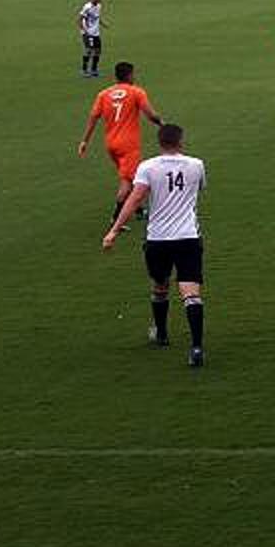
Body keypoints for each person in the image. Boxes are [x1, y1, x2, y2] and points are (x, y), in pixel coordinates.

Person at [103, 122, 207, 368]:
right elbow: (200, 189)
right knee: (191, 294)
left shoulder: (148, 167)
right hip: (188, 236)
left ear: (160, 143)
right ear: (180, 142)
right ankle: (196, 347)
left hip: (158, 239)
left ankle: (161, 334)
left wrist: (114, 231)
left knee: (160, 286)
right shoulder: (196, 165)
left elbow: (135, 198)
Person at [78, 62, 163, 222]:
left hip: (111, 144)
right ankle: (117, 219)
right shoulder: (136, 92)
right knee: (128, 181)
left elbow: (93, 117)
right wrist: (162, 124)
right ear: (130, 75)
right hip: (128, 145)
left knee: (130, 176)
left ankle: (138, 210)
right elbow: (150, 115)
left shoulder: (103, 94)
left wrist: (84, 141)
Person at [76, 0, 105, 77]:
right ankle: (84, 70)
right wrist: (84, 31)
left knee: (98, 51)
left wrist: (103, 24)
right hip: (88, 33)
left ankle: (94, 70)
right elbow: (79, 19)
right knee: (89, 51)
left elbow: (97, 17)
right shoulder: (87, 7)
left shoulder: (99, 6)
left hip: (96, 33)